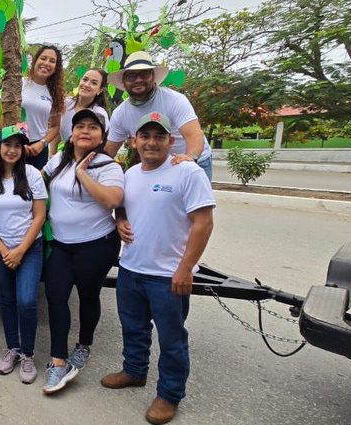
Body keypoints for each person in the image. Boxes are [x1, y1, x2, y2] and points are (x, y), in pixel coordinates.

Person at [102, 112, 214, 425]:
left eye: (159, 136)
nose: (152, 142)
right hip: (131, 269)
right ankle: (134, 371)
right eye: (146, 136)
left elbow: (204, 223)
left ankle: (169, 394)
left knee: (172, 339)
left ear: (171, 141)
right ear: (134, 141)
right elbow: (123, 206)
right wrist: (120, 220)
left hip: (168, 276)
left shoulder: (187, 173)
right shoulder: (130, 173)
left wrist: (185, 269)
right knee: (133, 328)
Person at [41, 109, 124, 394]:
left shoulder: (107, 165)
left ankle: (84, 344)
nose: (85, 131)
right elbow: (38, 185)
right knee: (56, 296)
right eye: (80, 126)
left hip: (97, 244)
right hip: (62, 245)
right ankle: (57, 360)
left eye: (93, 127)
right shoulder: (57, 162)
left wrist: (82, 174)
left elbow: (112, 200)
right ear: (72, 133)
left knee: (88, 295)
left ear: (102, 135)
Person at [0, 124, 47, 384]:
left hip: (29, 248)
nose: (12, 150)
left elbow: (39, 215)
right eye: (8, 144)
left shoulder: (32, 175)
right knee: (6, 300)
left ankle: (28, 354)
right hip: (0, 249)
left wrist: (19, 250)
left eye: (18, 145)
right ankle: (13, 348)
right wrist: (3, 249)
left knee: (26, 300)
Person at [105, 51, 213, 179]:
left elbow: (194, 134)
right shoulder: (120, 114)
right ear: (123, 82)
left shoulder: (174, 100)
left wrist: (190, 160)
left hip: (194, 159)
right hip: (157, 165)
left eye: (144, 74)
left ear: (153, 77)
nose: (138, 80)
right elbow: (109, 151)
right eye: (131, 76)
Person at [20, 45, 65, 170]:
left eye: (52, 61)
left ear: (56, 67)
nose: (46, 63)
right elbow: (5, 115)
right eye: (43, 58)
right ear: (35, 61)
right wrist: (18, 141)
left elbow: (55, 126)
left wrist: (42, 143)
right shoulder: (19, 83)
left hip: (38, 149)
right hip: (14, 143)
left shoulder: (55, 93)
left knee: (35, 187)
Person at [60, 68, 110, 146]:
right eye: (85, 80)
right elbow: (55, 128)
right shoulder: (66, 104)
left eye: (94, 83)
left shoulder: (99, 113)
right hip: (66, 154)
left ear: (100, 90)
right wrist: (52, 153)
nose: (86, 85)